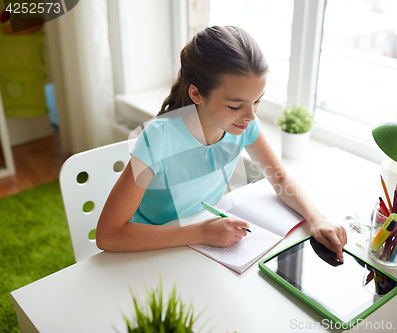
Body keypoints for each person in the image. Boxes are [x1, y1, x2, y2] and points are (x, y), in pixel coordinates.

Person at [96, 26, 347, 261]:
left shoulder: (243, 126)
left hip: (200, 242)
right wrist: (201, 233)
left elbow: (279, 178)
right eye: (235, 106)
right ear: (197, 94)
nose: (250, 115)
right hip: (151, 247)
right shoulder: (159, 139)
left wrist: (316, 218)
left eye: (257, 101)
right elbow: (108, 235)